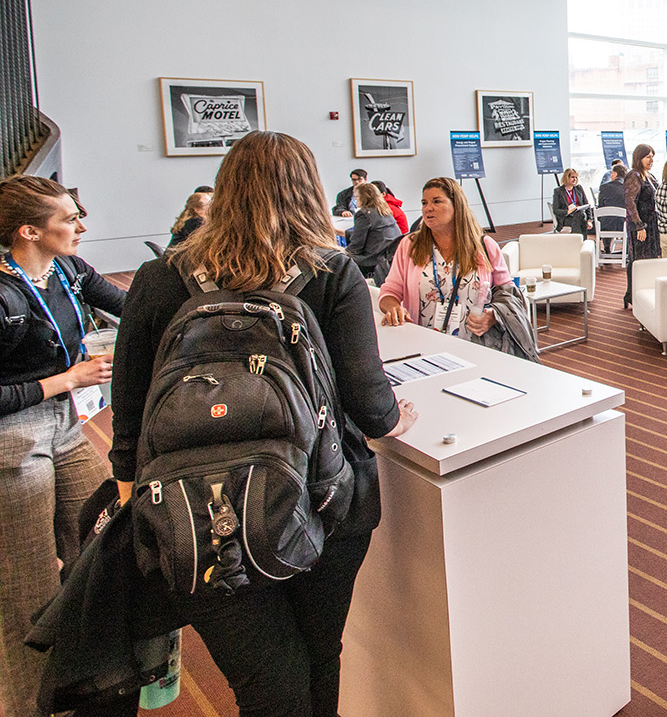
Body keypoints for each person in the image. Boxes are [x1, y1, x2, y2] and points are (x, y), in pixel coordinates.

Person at [112, 133, 418, 717]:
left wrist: (134, 500)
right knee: (321, 649)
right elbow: (370, 405)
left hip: (197, 509)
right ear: (306, 190)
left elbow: (128, 412)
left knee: (262, 680)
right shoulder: (334, 275)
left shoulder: (158, 279)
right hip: (318, 500)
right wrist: (394, 418)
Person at [0, 176, 126, 717]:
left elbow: (131, 305)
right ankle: (28, 704)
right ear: (29, 231)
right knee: (26, 586)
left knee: (100, 547)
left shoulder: (69, 272)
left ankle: (84, 681)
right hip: (13, 434)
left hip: (67, 426)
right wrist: (65, 380)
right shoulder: (3, 294)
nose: (81, 226)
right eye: (68, 219)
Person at [378, 176, 511, 335]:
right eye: (424, 203)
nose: (428, 208)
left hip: (474, 344)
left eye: (436, 201)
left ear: (457, 205)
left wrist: (493, 316)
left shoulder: (485, 246)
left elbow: (508, 294)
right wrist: (394, 308)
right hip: (425, 341)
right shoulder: (410, 246)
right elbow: (388, 292)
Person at [622, 145, 661, 309]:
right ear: (639, 158)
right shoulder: (634, 176)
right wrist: (639, 226)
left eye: (652, 156)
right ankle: (632, 294)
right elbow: (630, 203)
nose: (651, 160)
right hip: (640, 225)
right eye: (648, 157)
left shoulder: (649, 175)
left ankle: (644, 294)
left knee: (650, 259)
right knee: (638, 260)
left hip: (651, 224)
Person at [345, 181, 402, 282]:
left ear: (364, 197)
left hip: (372, 261)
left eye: (356, 196)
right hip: (388, 257)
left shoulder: (364, 214)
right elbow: (373, 235)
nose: (355, 199)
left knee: (338, 260)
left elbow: (356, 247)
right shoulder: (385, 210)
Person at [551, 168, 594, 235]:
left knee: (581, 215)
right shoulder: (558, 191)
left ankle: (577, 240)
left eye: (576, 177)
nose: (575, 179)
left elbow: (587, 205)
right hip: (567, 217)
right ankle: (582, 241)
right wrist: (567, 211)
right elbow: (556, 210)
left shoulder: (578, 188)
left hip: (580, 215)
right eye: (572, 177)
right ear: (566, 178)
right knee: (581, 219)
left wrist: (589, 220)